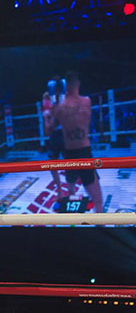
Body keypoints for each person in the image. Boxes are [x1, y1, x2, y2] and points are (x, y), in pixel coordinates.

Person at [53, 71, 104, 212]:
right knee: (95, 194)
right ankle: (101, 220)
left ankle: (77, 220)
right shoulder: (86, 101)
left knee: (73, 188)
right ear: (78, 84)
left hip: (71, 151)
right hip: (82, 149)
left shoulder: (60, 106)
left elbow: (50, 128)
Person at [41, 79, 65, 194]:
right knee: (52, 163)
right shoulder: (47, 98)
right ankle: (60, 191)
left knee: (73, 162)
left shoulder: (66, 97)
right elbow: (47, 122)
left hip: (66, 133)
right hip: (54, 134)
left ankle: (71, 192)